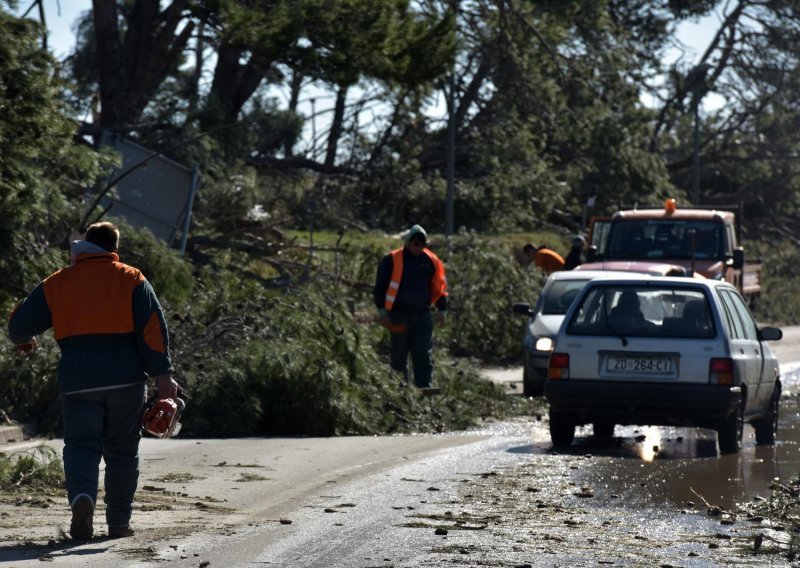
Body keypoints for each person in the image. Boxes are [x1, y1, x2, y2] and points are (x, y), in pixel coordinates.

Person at [7, 222, 177, 541]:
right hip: (126, 382)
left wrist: (26, 340)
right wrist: (163, 376)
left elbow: (17, 324)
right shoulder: (132, 278)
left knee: (82, 445)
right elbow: (153, 331)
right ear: (114, 249)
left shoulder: (59, 282)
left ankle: (82, 498)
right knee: (122, 452)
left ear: (86, 244)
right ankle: (118, 523)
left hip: (78, 383)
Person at [373, 224, 447, 388]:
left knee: (423, 355)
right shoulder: (391, 260)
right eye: (415, 243)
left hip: (422, 316)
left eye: (422, 244)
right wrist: (382, 312)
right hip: (399, 315)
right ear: (408, 242)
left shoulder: (431, 261)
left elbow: (439, 287)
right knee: (399, 356)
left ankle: (424, 392)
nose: (419, 247)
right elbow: (380, 288)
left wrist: (442, 310)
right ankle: (400, 395)